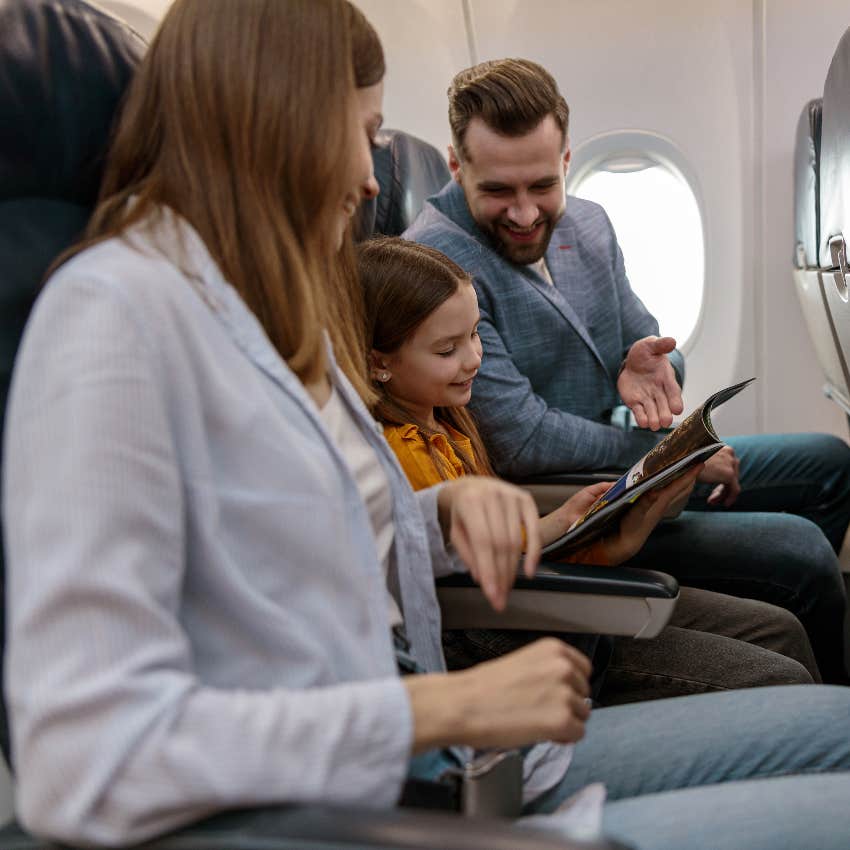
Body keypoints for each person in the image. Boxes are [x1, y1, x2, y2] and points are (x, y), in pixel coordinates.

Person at [5, 3, 850, 849]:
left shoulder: (267, 309)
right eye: (364, 131)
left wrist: (438, 516)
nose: (373, 178)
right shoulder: (115, 317)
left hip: (435, 764)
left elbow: (303, 540)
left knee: (837, 730)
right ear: (282, 121)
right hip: (356, 802)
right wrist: (439, 704)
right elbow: (85, 758)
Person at [403, 57, 850, 683]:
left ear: (565, 160)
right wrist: (670, 454)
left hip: (629, 461)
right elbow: (524, 439)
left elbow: (647, 338)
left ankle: (773, 634)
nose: (527, 214)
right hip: (580, 493)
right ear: (457, 166)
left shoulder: (588, 222)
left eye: (542, 185)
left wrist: (646, 362)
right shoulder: (436, 265)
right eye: (499, 191)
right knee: (799, 552)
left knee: (829, 463)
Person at [358, 234, 819, 700]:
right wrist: (598, 546)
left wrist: (567, 522)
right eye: (446, 350)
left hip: (538, 596)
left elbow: (494, 547)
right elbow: (473, 580)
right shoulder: (405, 455)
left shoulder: (448, 422)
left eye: (475, 334)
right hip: (516, 631)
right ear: (380, 363)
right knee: (780, 673)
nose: (474, 358)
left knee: (780, 629)